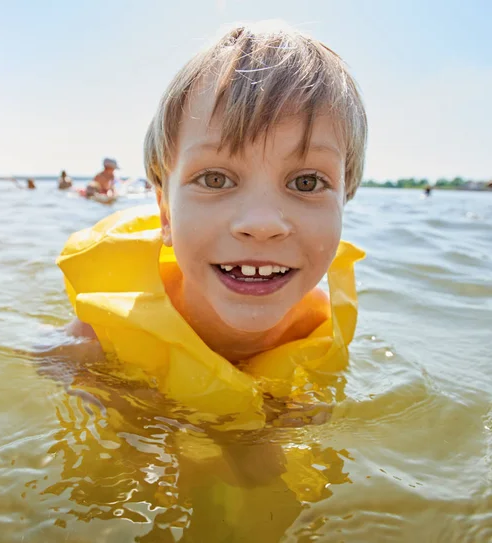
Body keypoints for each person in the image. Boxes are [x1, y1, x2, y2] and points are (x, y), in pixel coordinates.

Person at [56, 22, 367, 427]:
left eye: (306, 182)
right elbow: (49, 365)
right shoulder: (104, 329)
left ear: (344, 201)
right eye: (215, 179)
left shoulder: (318, 329)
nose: (260, 224)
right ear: (166, 212)